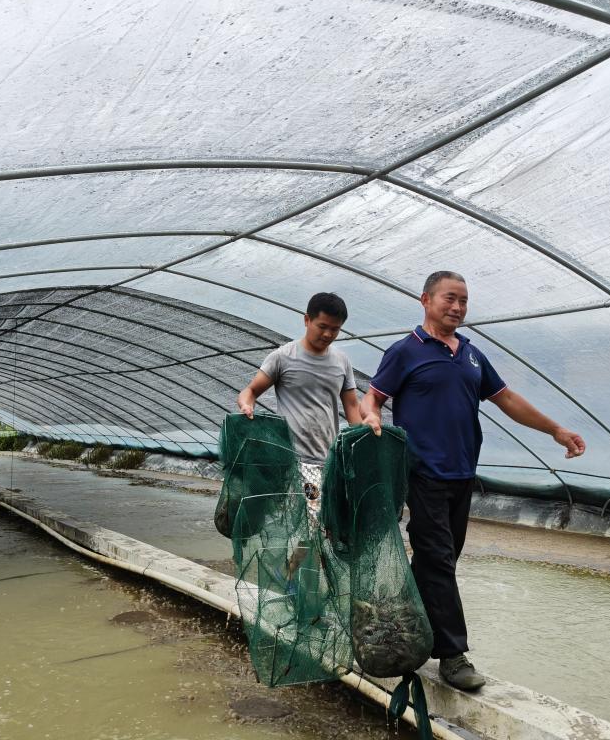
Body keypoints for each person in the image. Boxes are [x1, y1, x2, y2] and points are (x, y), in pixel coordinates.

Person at [360, 271, 585, 691]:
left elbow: (508, 400)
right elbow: (373, 396)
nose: (458, 307)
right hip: (423, 472)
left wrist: (556, 430)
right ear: (425, 299)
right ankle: (452, 655)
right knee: (439, 559)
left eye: (464, 301)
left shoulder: (472, 355)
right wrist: (371, 414)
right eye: (450, 298)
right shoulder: (405, 351)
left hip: (463, 473)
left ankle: (396, 619)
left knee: (437, 561)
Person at [238, 292, 364, 583]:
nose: (328, 334)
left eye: (335, 329)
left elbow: (352, 409)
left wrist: (363, 438)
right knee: (314, 525)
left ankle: (291, 574)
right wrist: (247, 405)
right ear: (307, 320)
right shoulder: (283, 357)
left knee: (324, 528)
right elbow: (251, 390)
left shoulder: (341, 363)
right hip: (297, 462)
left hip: (330, 462)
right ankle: (298, 583)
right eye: (322, 326)